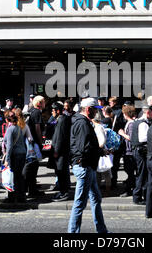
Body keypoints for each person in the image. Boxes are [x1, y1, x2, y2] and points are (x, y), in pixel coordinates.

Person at [68, 98, 109, 233]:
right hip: (84, 166)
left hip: (86, 166)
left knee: (96, 198)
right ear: (88, 109)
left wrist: (100, 151)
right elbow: (84, 148)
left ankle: (102, 230)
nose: (97, 112)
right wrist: (99, 150)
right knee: (80, 203)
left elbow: (86, 146)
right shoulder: (83, 124)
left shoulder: (83, 122)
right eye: (95, 109)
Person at [3, 113, 33, 203]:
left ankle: (12, 197)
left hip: (15, 155)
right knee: (20, 176)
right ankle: (21, 196)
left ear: (7, 120)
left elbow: (9, 146)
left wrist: (7, 160)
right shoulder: (19, 128)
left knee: (12, 177)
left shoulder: (10, 129)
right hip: (22, 153)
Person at [130, 104, 152, 205]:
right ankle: (138, 197)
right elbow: (143, 139)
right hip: (141, 151)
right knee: (142, 174)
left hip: (137, 151)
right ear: (148, 112)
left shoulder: (137, 121)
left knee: (141, 174)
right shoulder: (143, 124)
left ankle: (139, 196)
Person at [51, 102, 72, 202]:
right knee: (61, 172)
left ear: (58, 111)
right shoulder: (61, 119)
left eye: (53, 110)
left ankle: (64, 192)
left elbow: (60, 137)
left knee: (62, 172)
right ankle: (63, 191)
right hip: (61, 151)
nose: (52, 112)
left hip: (61, 152)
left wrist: (56, 151)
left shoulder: (62, 120)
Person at [26, 95, 46, 196]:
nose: (45, 103)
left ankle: (31, 187)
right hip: (35, 142)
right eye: (43, 101)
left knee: (32, 165)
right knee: (34, 165)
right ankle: (32, 190)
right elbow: (37, 128)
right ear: (39, 103)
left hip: (30, 142)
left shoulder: (31, 110)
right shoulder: (37, 112)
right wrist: (40, 142)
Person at [118, 105, 137, 198]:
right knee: (129, 171)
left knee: (130, 171)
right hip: (127, 151)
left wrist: (122, 134)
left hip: (130, 152)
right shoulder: (129, 123)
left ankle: (130, 189)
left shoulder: (131, 124)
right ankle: (131, 187)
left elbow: (131, 138)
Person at [92, 109, 112, 197]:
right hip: (101, 151)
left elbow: (102, 140)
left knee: (104, 171)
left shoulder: (98, 127)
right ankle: (99, 189)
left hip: (102, 151)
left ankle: (107, 190)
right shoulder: (98, 126)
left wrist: (98, 148)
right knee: (100, 171)